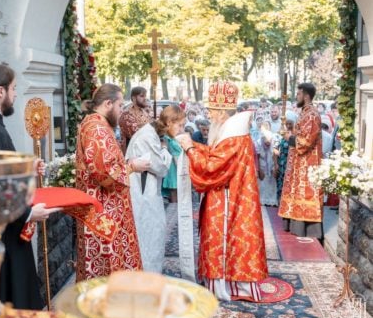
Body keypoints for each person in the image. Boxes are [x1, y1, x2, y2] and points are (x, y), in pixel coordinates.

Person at [0, 62, 60, 310]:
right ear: (0, 92)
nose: (15, 94)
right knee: (12, 304)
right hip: (1, 238)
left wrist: (24, 167)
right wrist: (28, 213)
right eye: (13, 88)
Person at [177, 81, 268, 302]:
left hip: (228, 199)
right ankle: (223, 281)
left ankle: (227, 284)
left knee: (227, 238)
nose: (208, 114)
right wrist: (195, 147)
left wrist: (190, 147)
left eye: (210, 110)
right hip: (231, 193)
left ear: (220, 112)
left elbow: (211, 168)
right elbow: (214, 155)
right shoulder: (230, 133)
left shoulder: (233, 136)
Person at [75, 83, 150, 281]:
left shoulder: (95, 124)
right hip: (104, 211)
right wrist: (133, 166)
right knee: (106, 262)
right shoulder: (97, 129)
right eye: (119, 105)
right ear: (108, 103)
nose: (121, 111)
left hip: (103, 208)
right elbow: (106, 175)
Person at [125, 108, 177, 273]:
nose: (181, 129)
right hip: (142, 193)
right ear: (170, 123)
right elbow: (160, 167)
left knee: (152, 233)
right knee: (148, 235)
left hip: (146, 189)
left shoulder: (150, 133)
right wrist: (164, 150)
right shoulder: (147, 136)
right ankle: (146, 275)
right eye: (180, 125)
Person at [279, 83, 324, 243]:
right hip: (299, 162)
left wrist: (288, 137)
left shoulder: (312, 115)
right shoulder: (304, 113)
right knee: (296, 191)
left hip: (308, 163)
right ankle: (294, 224)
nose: (296, 97)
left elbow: (306, 141)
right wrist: (290, 133)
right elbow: (300, 134)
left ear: (306, 96)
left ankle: (308, 229)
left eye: (298, 94)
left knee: (306, 192)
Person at [118, 86, 151, 151]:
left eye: (145, 96)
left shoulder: (145, 112)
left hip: (146, 149)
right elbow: (136, 135)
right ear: (134, 98)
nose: (145, 98)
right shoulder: (126, 115)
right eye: (142, 96)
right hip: (133, 152)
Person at [274, 112, 297, 201]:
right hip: (282, 165)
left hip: (292, 166)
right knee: (280, 186)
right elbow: (275, 149)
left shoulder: (297, 135)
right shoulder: (280, 133)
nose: (288, 126)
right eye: (286, 123)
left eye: (290, 124)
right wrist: (276, 164)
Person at [257, 121, 278, 206]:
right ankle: (262, 199)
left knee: (271, 182)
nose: (267, 141)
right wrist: (259, 169)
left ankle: (272, 200)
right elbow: (257, 156)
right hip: (262, 163)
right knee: (262, 182)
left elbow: (274, 153)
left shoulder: (274, 139)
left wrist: (275, 166)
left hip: (271, 162)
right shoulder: (258, 142)